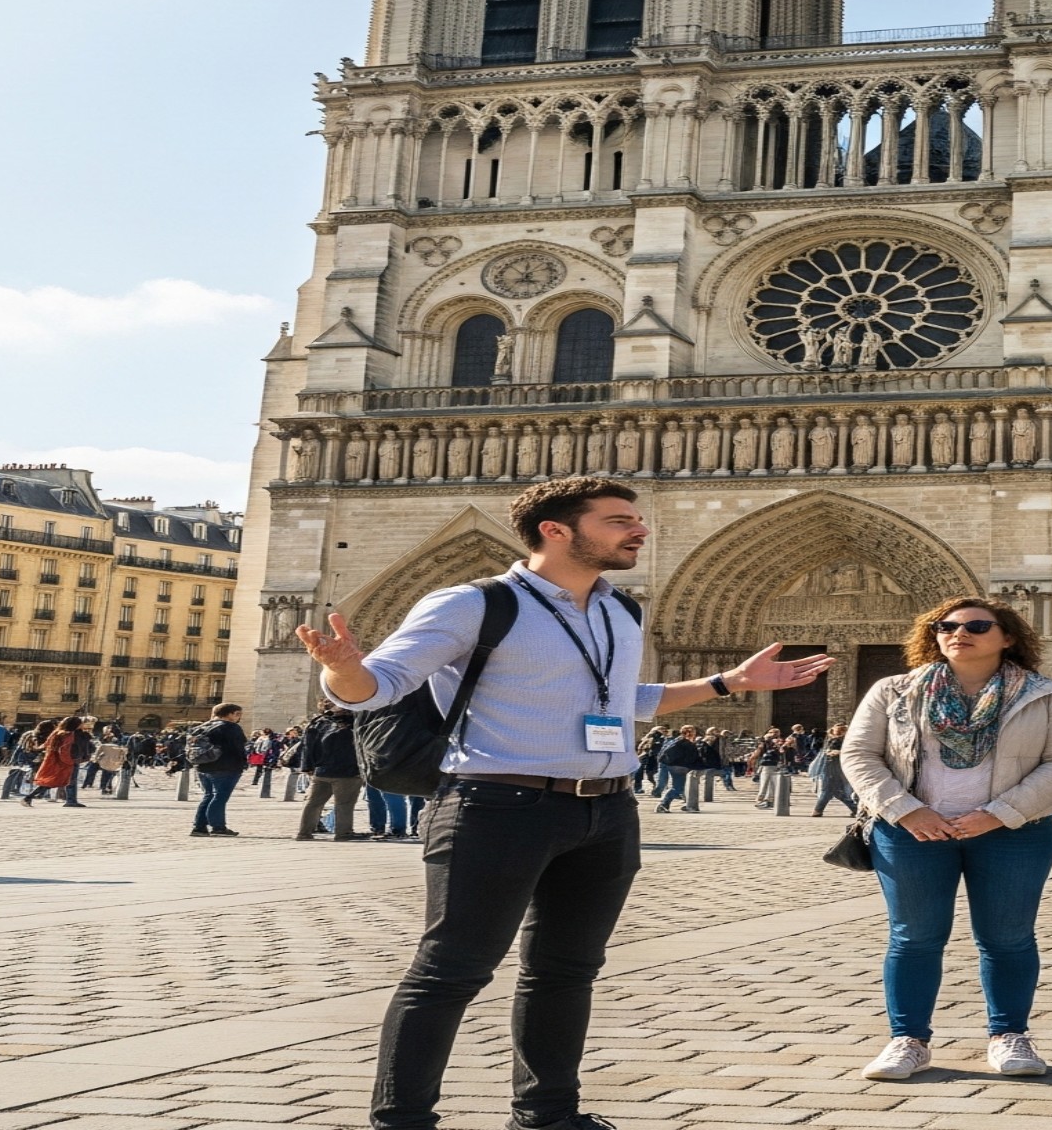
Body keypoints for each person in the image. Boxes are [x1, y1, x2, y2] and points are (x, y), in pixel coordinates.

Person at [295, 475, 831, 1130]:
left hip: (606, 811)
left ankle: (547, 1117)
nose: (639, 529)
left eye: (635, 519)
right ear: (555, 530)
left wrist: (728, 681)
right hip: (497, 805)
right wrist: (342, 666)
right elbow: (377, 686)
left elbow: (624, 702)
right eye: (618, 521)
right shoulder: (472, 604)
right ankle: (400, 1122)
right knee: (451, 971)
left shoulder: (620, 610)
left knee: (567, 973)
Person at [843, 596, 1052, 1081]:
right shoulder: (894, 690)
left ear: (1008, 637)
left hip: (1013, 832)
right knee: (914, 938)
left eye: (976, 626)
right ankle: (908, 1040)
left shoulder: (1045, 694)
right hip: (911, 831)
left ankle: (1009, 1035)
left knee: (1008, 939)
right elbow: (859, 754)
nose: (958, 633)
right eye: (946, 626)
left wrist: (999, 814)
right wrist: (906, 810)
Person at [296, 704, 366, 841]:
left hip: (321, 770)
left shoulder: (318, 723)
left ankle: (304, 833)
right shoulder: (356, 724)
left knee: (313, 803)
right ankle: (343, 833)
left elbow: (307, 746)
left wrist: (308, 767)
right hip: (347, 772)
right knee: (344, 804)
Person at [189, 704, 251, 837]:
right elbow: (238, 748)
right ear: (231, 714)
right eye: (238, 714)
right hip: (226, 767)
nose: (239, 718)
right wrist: (242, 764)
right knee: (220, 797)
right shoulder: (231, 727)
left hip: (202, 766)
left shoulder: (200, 727)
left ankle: (199, 827)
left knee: (208, 795)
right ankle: (218, 827)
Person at [21, 715, 90, 808]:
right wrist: (70, 761)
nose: (82, 725)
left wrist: (37, 748)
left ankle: (29, 797)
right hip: (65, 762)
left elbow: (46, 744)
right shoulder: (68, 735)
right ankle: (71, 801)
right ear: (75, 724)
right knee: (67, 781)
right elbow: (64, 750)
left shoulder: (57, 732)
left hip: (54, 760)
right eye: (80, 723)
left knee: (53, 781)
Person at [653, 726, 706, 813]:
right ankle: (663, 804)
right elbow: (691, 758)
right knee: (678, 788)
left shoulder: (676, 740)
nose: (694, 734)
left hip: (673, 765)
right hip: (679, 767)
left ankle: (688, 805)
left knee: (682, 787)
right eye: (693, 732)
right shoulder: (686, 743)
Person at [811, 722, 859, 818]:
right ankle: (855, 809)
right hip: (830, 766)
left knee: (829, 790)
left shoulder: (843, 740)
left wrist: (839, 752)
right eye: (837, 730)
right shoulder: (831, 739)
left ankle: (818, 810)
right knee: (835, 791)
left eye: (841, 730)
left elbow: (852, 751)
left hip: (834, 767)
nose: (838, 732)